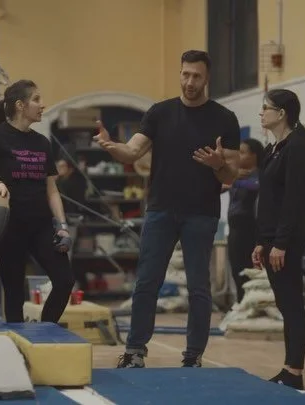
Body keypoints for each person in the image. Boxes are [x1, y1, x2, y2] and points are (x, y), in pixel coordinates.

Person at [93, 50, 241, 368]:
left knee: (199, 286)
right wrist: (111, 146)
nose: (190, 82)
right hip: (160, 210)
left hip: (201, 212)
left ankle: (193, 355)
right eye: (185, 74)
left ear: (207, 78)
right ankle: (135, 351)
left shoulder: (224, 119)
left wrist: (218, 164)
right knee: (147, 281)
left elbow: (231, 175)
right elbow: (132, 151)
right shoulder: (160, 112)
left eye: (196, 76)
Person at [0, 79, 75, 323]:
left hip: (41, 225)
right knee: (14, 294)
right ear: (20, 105)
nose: (43, 105)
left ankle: (46, 330)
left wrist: (62, 225)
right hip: (9, 225)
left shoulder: (42, 142)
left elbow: (52, 190)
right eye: (36, 100)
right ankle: (17, 339)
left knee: (64, 280)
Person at [251, 88, 305, 390]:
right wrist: (261, 241)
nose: (261, 113)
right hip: (272, 238)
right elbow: (268, 200)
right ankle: (290, 369)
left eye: (266, 108)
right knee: (284, 302)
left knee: (291, 303)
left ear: (282, 113)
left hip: (286, 240)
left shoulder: (296, 147)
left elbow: (293, 202)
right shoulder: (273, 148)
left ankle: (294, 371)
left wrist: (280, 243)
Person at [225, 138, 263, 304]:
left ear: (254, 155)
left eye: (242, 153)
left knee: (247, 269)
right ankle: (241, 303)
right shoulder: (238, 175)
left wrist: (234, 180)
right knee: (236, 269)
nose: (238, 156)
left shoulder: (259, 175)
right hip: (234, 229)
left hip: (248, 229)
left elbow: (257, 186)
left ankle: (249, 303)